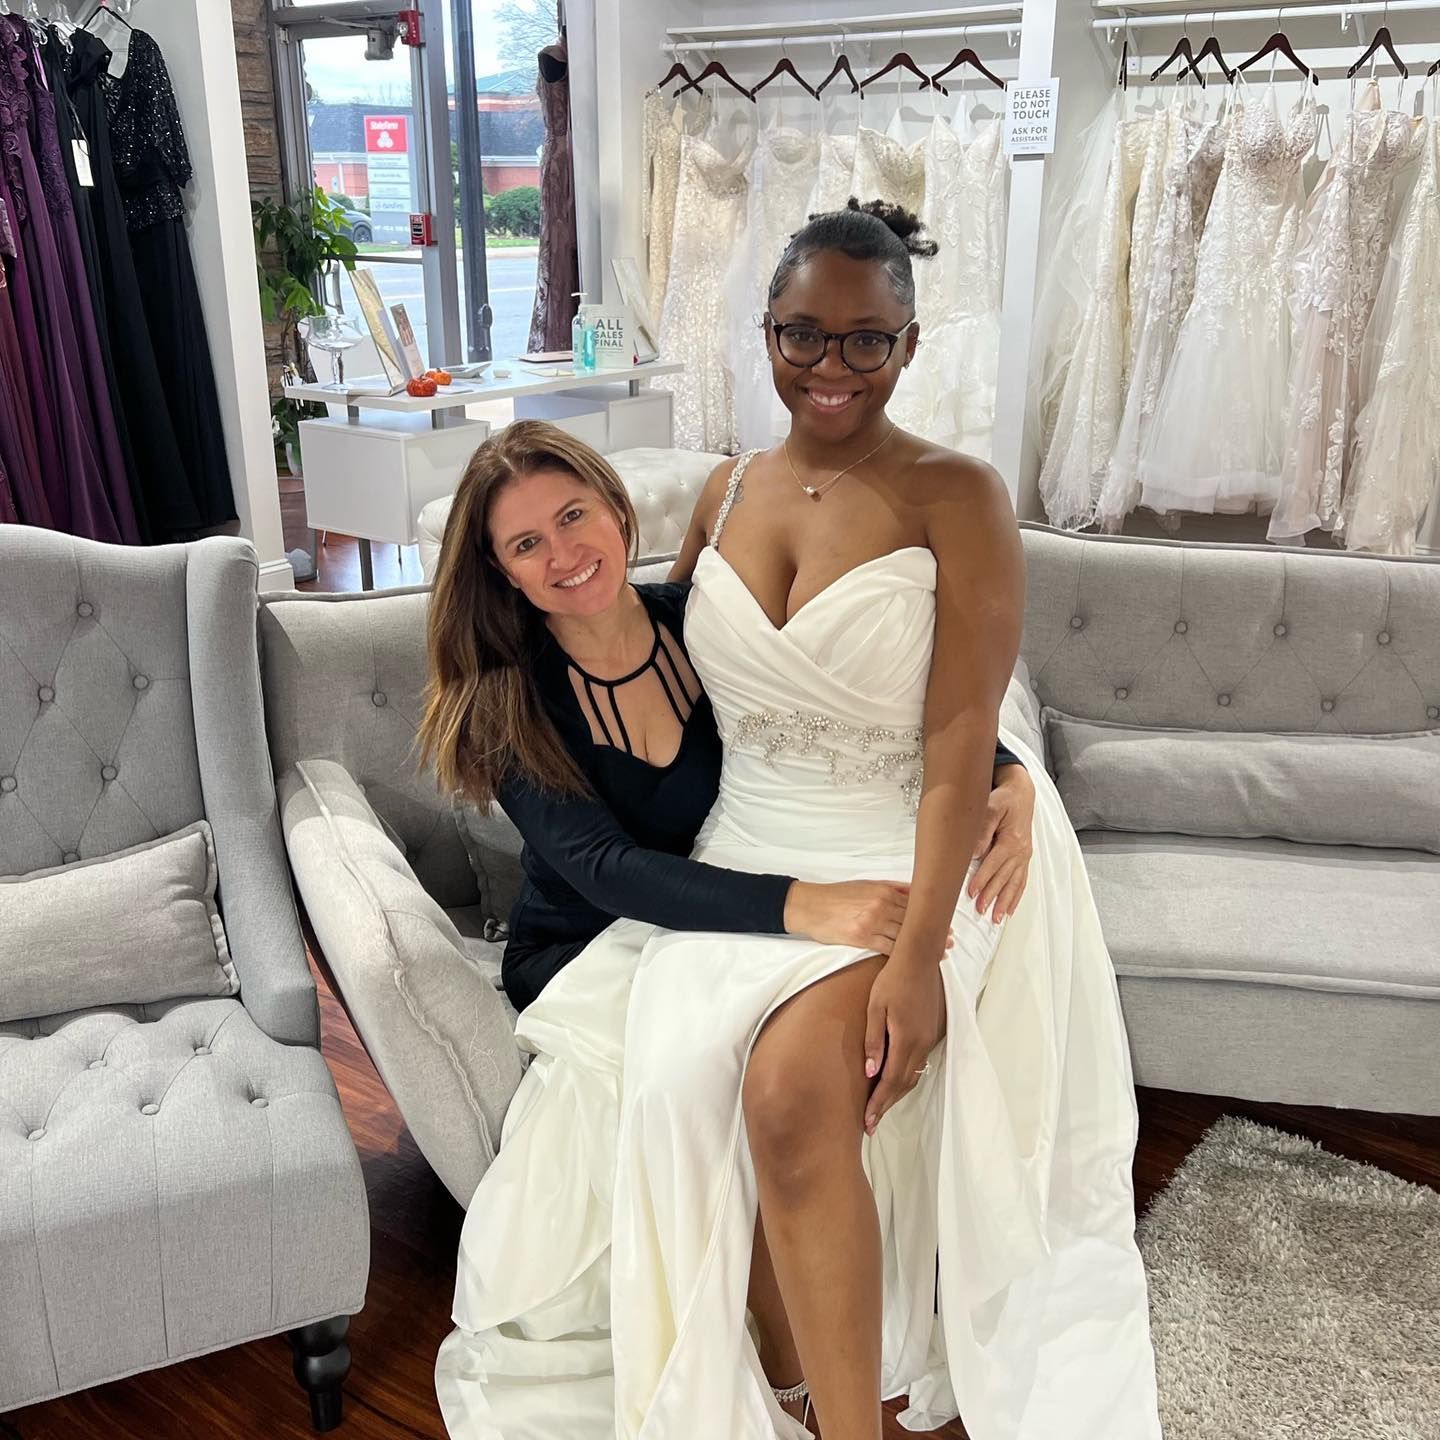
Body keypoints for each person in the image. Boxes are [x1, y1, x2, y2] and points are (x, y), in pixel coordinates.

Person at [434, 201, 1161, 1440]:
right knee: (689, 1090)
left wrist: (998, 799)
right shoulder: (723, 493)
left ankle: (845, 1424)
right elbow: (753, 684)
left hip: (900, 851)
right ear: (763, 333)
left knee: (783, 1097)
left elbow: (940, 722)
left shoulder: (960, 495)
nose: (829, 368)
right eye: (800, 336)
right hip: (745, 854)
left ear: (910, 343)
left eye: (864, 340)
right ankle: (781, 1372)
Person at [420, 424, 1036, 1015]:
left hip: (729, 914)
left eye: (572, 515)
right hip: (590, 946)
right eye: (526, 544)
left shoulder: (705, 626)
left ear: (613, 505)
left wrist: (1008, 774)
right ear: (503, 570)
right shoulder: (499, 705)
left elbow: (853, 711)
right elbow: (605, 868)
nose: (563, 554)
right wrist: (803, 904)